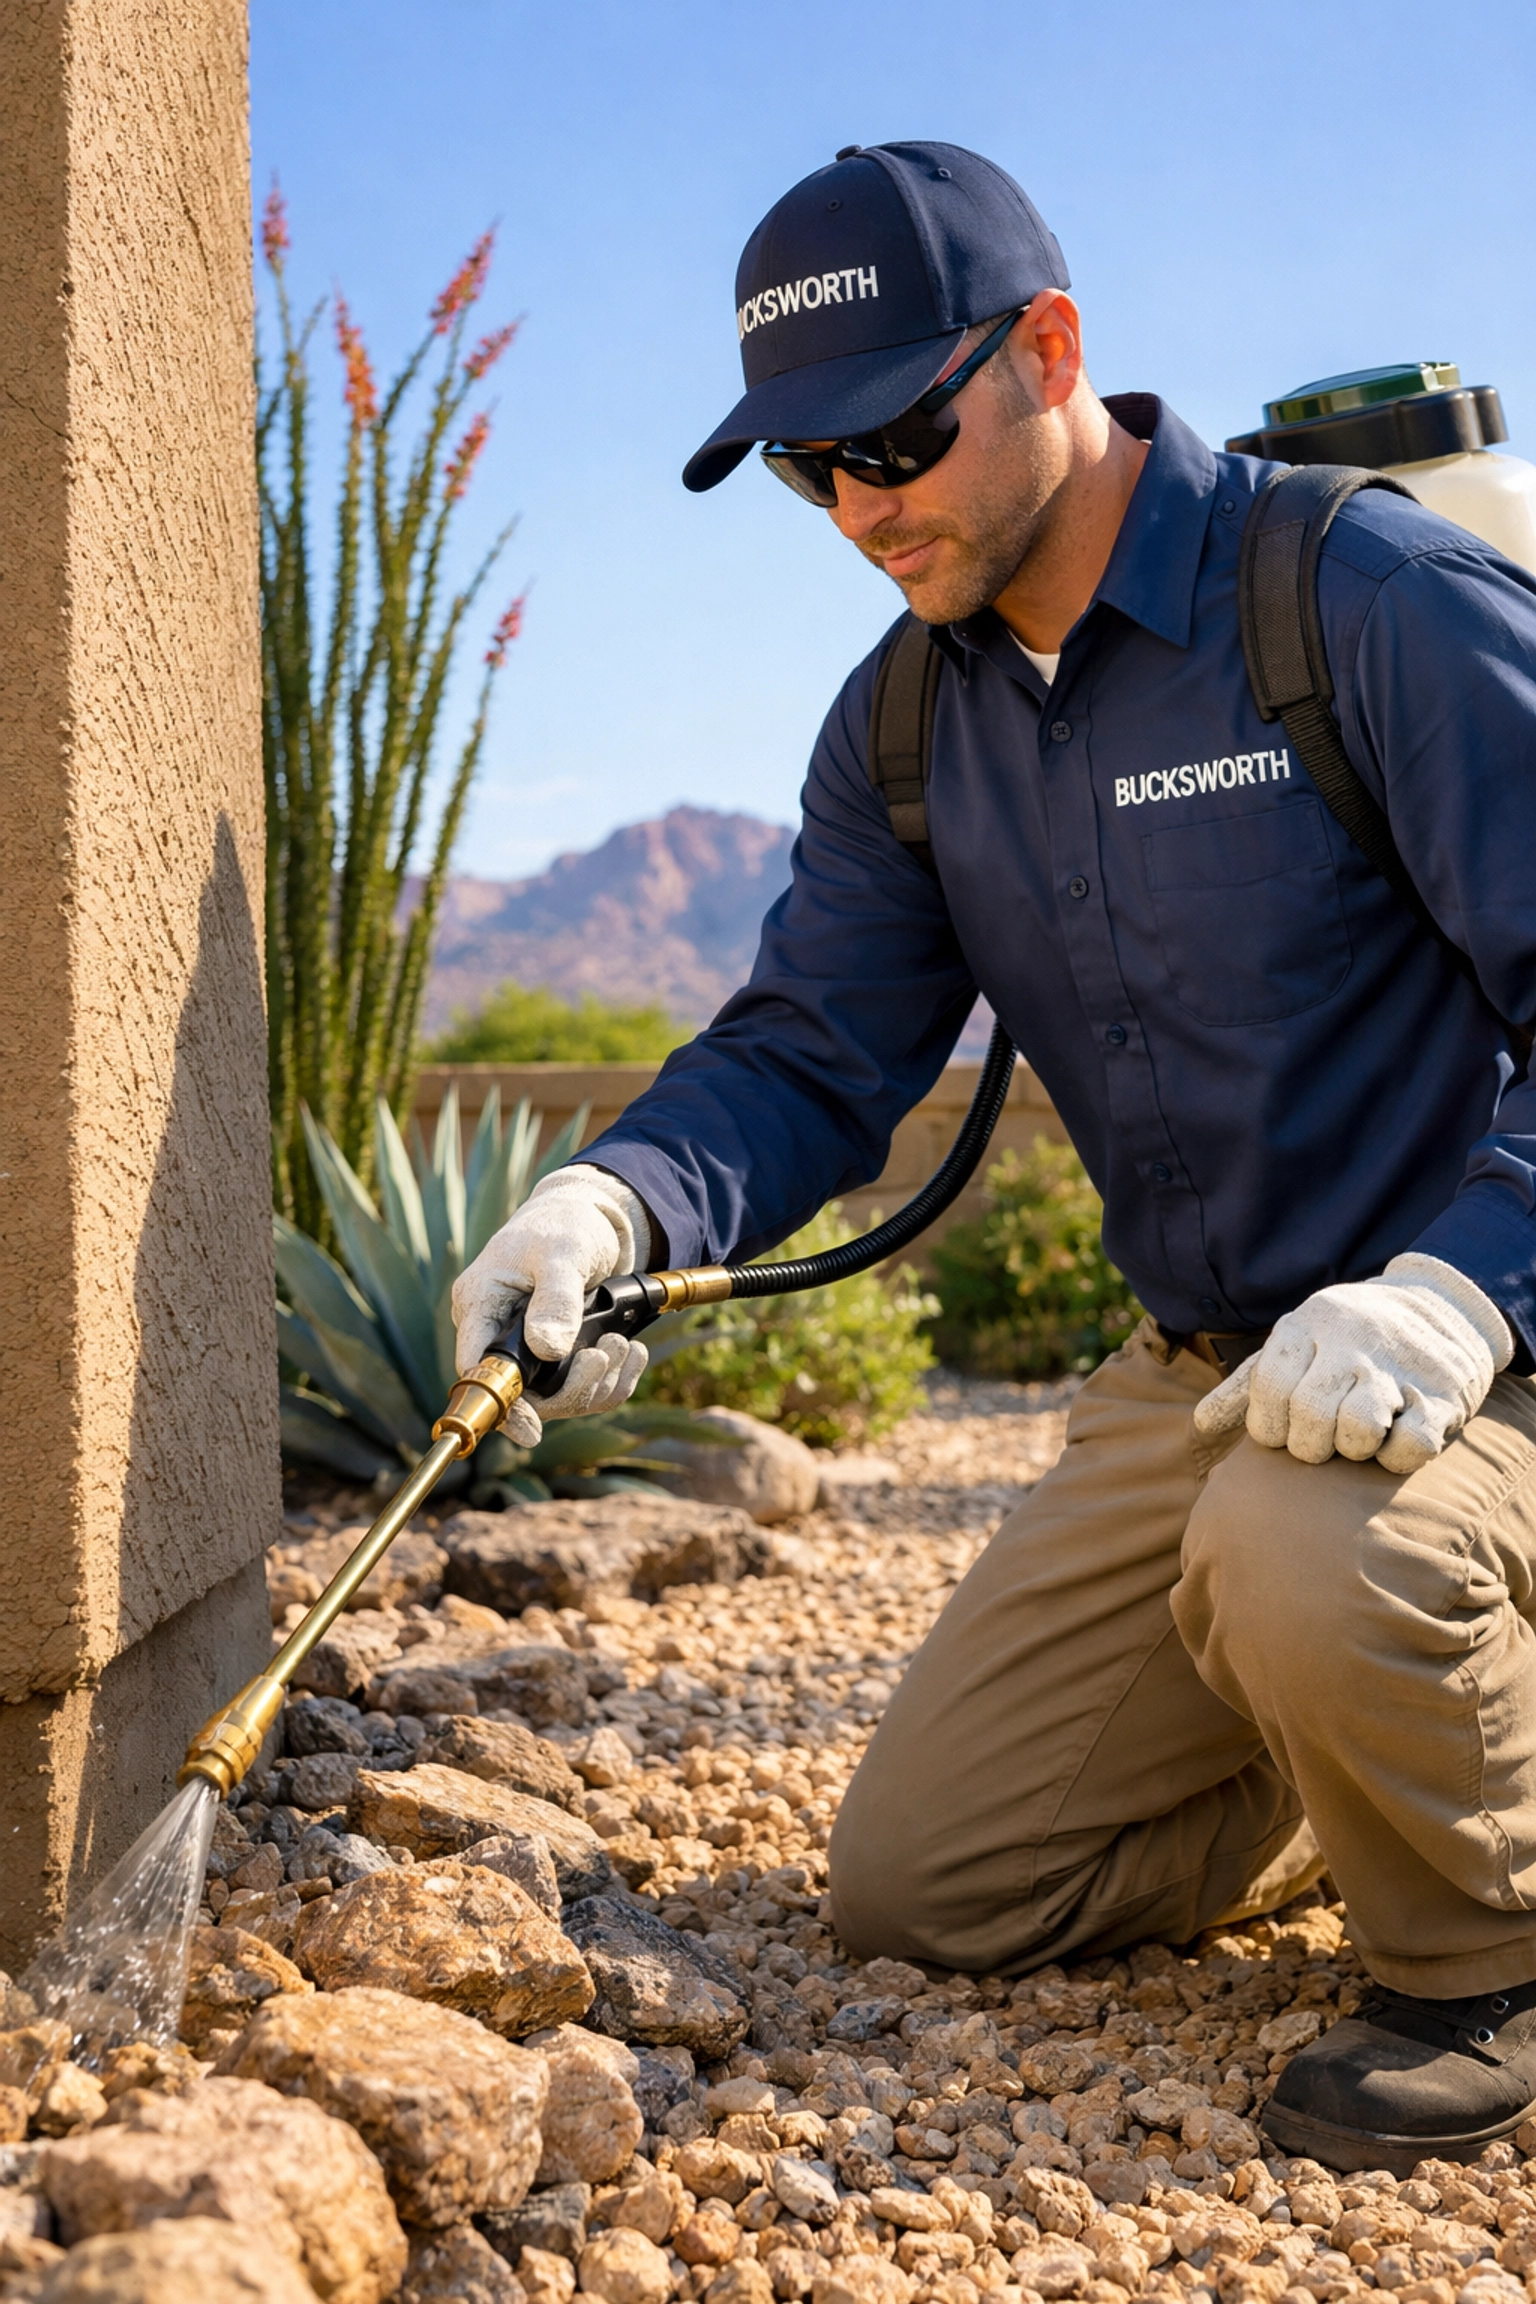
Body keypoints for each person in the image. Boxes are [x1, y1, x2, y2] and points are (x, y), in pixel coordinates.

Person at [451, 142, 1536, 2173]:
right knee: (929, 1887)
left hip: (1487, 1343)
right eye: (806, 467)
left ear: (1049, 350)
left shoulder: (1359, 598)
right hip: (1213, 1373)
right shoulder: (902, 728)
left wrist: (1460, 1290)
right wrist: (615, 1201)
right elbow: (806, 1053)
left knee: (1313, 1550)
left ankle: (1490, 1952)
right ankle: (1386, 1738)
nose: (860, 505)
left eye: (895, 434)